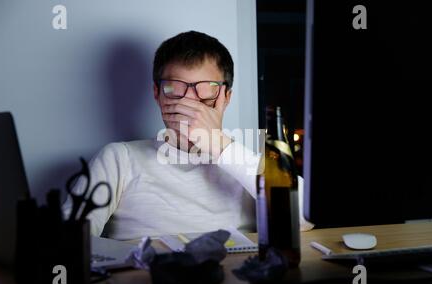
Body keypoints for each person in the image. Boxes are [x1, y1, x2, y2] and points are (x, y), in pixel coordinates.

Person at [63, 31, 313, 240]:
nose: (189, 103)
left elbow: (303, 216)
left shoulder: (249, 163)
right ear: (157, 94)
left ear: (226, 97)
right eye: (174, 89)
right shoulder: (119, 159)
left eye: (206, 91)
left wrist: (218, 144)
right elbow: (66, 242)